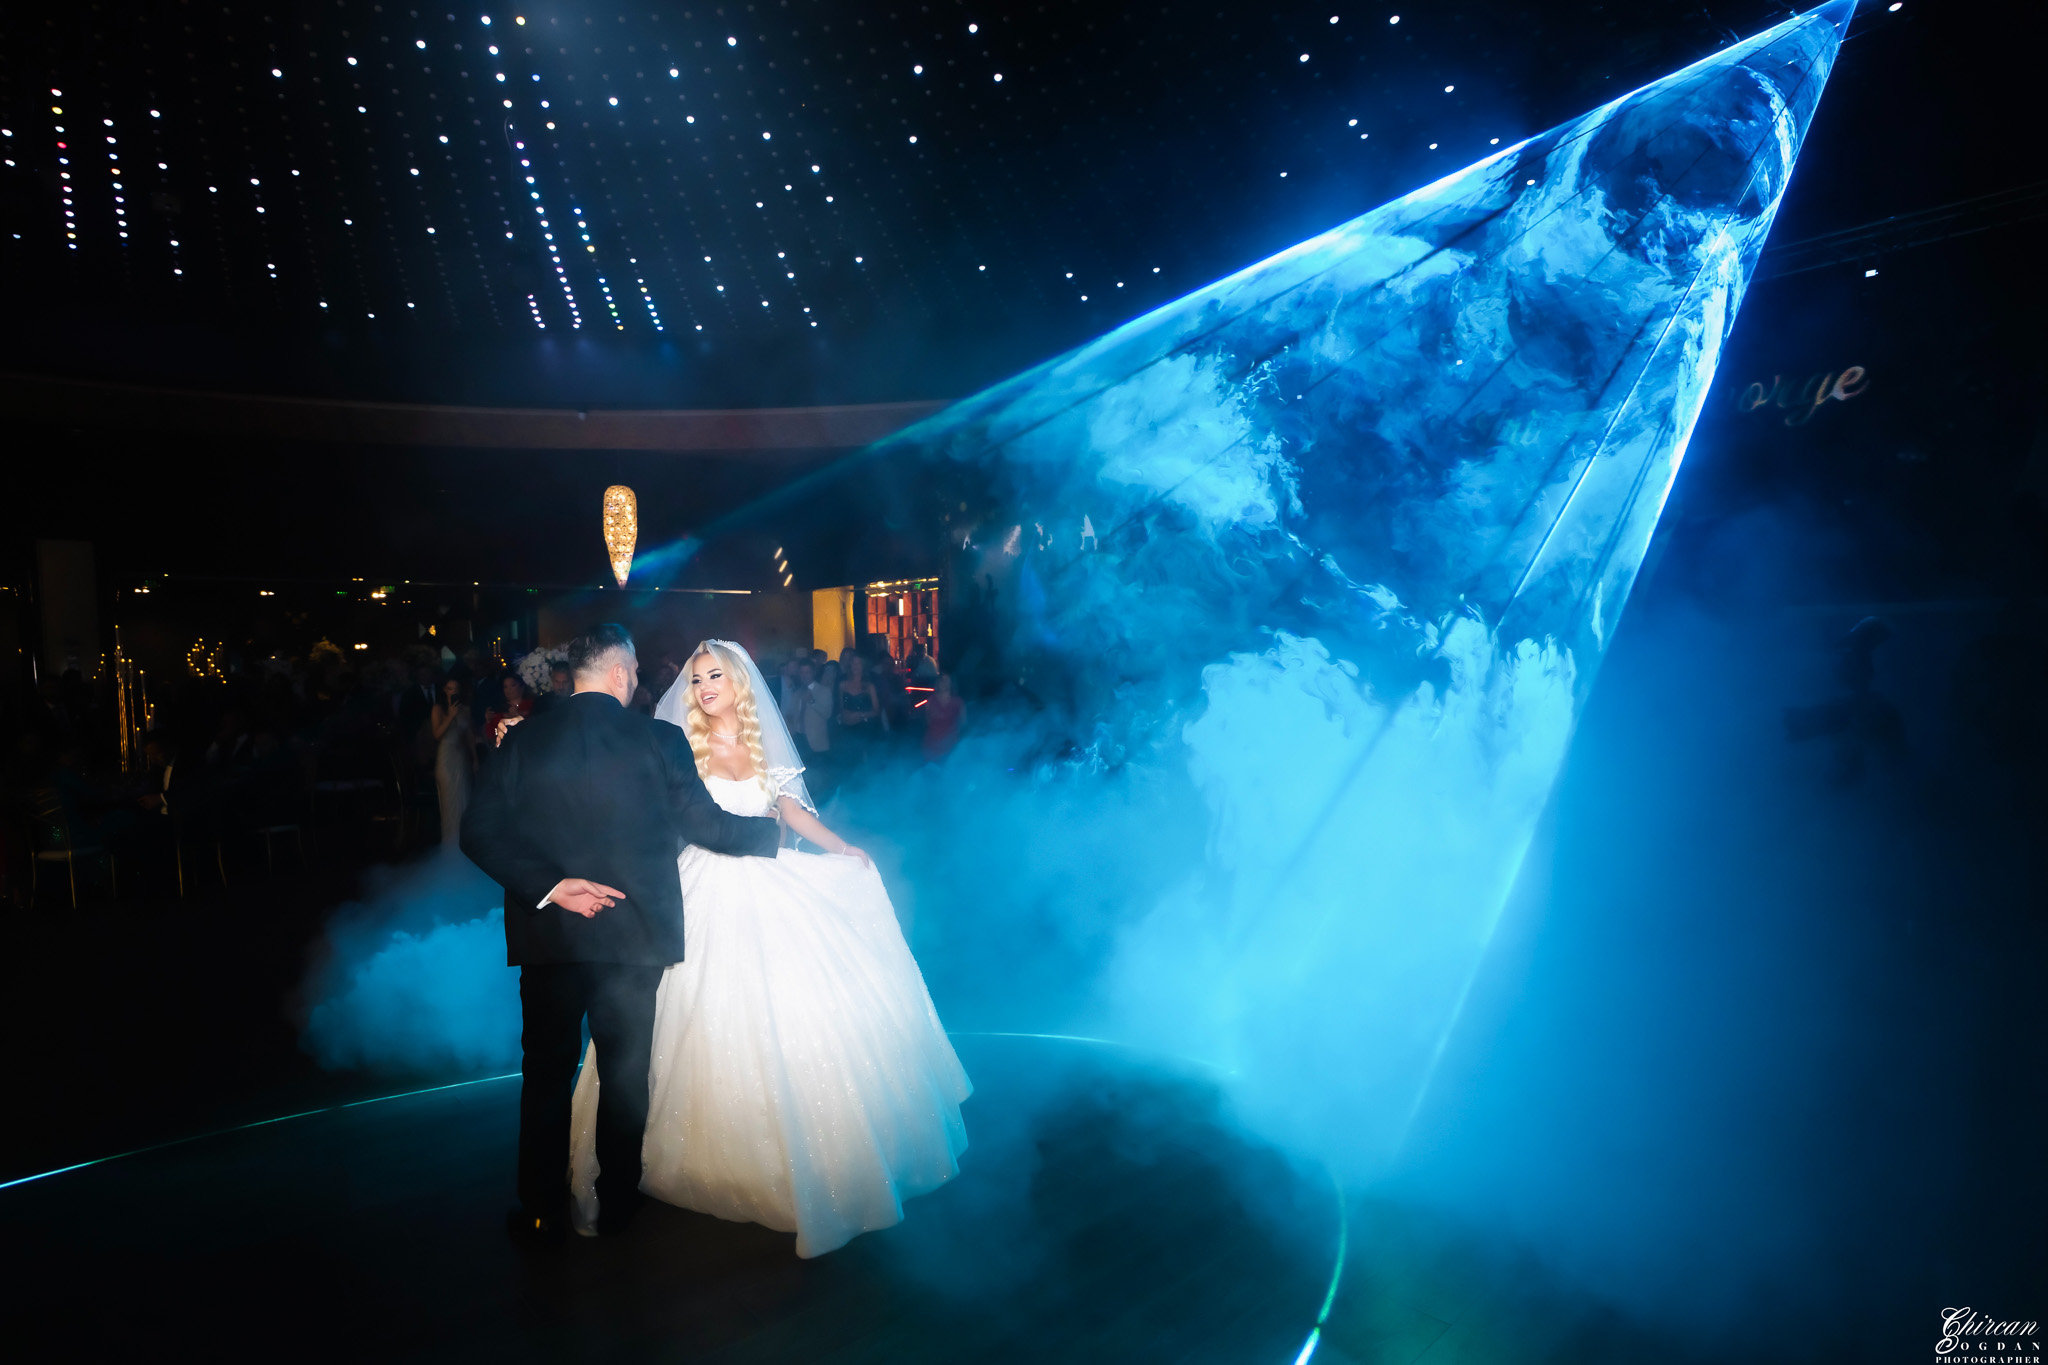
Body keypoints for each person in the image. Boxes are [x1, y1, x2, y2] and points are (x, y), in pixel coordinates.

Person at [567, 639, 969, 1257]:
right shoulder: (680, 744)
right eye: (696, 679)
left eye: (714, 676)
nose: (704, 687)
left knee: (797, 1007)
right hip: (703, 884)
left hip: (770, 877)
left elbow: (792, 812)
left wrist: (842, 847)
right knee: (684, 1012)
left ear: (739, 683)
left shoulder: (761, 745)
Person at [462, 625, 783, 1244]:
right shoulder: (658, 738)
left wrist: (552, 887)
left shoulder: (523, 739)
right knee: (625, 1074)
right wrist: (773, 834)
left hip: (550, 937)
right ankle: (617, 1205)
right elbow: (706, 825)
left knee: (546, 1073)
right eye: (633, 671)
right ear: (618, 673)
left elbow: (477, 832)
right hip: (633, 937)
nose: (637, 681)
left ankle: (540, 1209)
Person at [430, 677, 475, 847]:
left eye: (456, 688)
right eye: (450, 688)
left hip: (461, 757)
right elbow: (437, 734)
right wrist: (450, 716)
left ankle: (465, 843)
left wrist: (475, 759)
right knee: (450, 802)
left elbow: (469, 735)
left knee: (465, 798)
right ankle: (450, 845)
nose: (453, 691)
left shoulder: (465, 710)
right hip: (446, 758)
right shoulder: (438, 709)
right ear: (444, 690)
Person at [833, 653, 887, 766]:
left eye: (858, 663)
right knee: (850, 761)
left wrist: (859, 715)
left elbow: (877, 711)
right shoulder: (842, 685)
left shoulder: (869, 686)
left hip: (865, 728)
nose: (855, 666)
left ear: (863, 666)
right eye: (853, 663)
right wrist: (844, 716)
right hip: (848, 729)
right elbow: (841, 707)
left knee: (867, 762)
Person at [921, 673, 966, 762]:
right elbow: (928, 721)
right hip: (932, 744)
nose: (943, 683)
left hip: (951, 743)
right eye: (941, 681)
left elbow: (963, 722)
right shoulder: (931, 701)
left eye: (946, 681)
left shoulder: (958, 701)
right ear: (937, 683)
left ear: (951, 684)